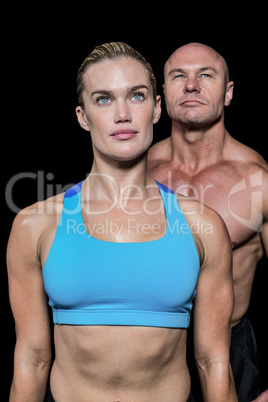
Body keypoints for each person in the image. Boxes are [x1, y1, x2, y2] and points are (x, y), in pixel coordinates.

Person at [7, 42, 237, 402]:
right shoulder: (35, 225)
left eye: (136, 96)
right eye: (103, 99)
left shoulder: (203, 226)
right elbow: (32, 360)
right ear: (82, 116)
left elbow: (213, 362)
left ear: (157, 108)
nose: (122, 114)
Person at [148, 42, 268, 401]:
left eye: (206, 75)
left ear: (228, 93)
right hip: (147, 352)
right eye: (178, 76)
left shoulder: (257, 182)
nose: (191, 85)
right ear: (162, 96)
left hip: (228, 353)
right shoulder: (132, 172)